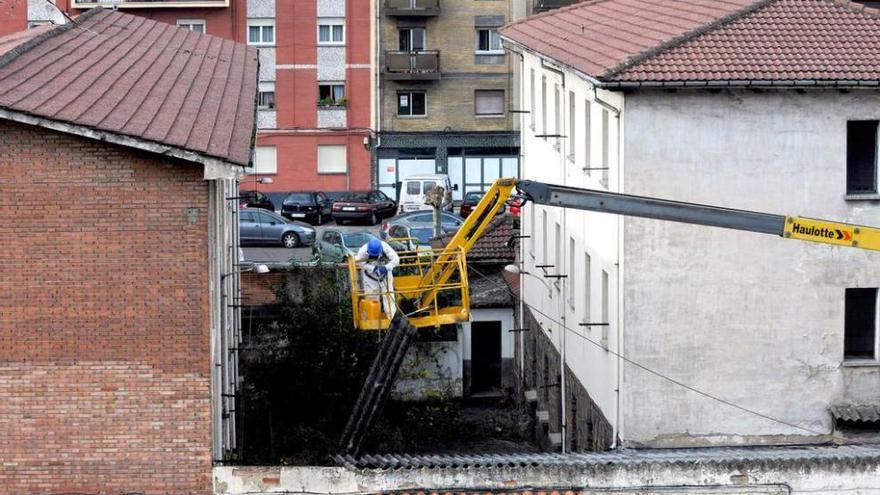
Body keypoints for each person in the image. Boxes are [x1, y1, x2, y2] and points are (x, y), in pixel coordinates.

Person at [354, 238, 400, 319]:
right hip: (370, 276)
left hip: (385, 274)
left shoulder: (385, 247)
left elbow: (396, 260)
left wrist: (386, 268)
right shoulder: (362, 251)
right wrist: (373, 268)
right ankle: (373, 318)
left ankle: (392, 318)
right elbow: (361, 264)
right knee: (372, 297)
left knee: (388, 295)